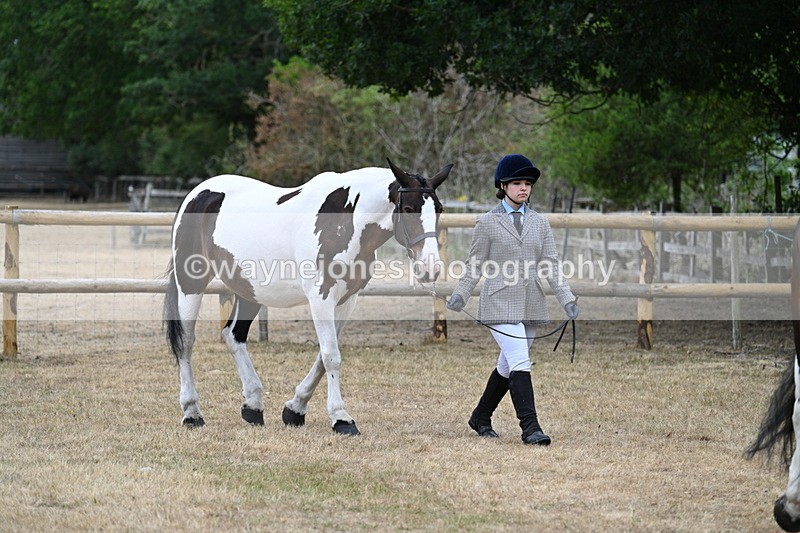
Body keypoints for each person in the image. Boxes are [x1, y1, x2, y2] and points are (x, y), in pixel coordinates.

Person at [446, 154, 579, 446]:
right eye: (517, 183)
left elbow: (551, 265)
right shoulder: (487, 222)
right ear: (503, 186)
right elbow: (474, 265)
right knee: (520, 359)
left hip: (531, 302)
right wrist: (460, 294)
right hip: (498, 302)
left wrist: (567, 298)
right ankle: (531, 428)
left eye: (527, 184)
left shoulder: (540, 223)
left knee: (507, 366)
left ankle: (480, 416)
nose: (523, 188)